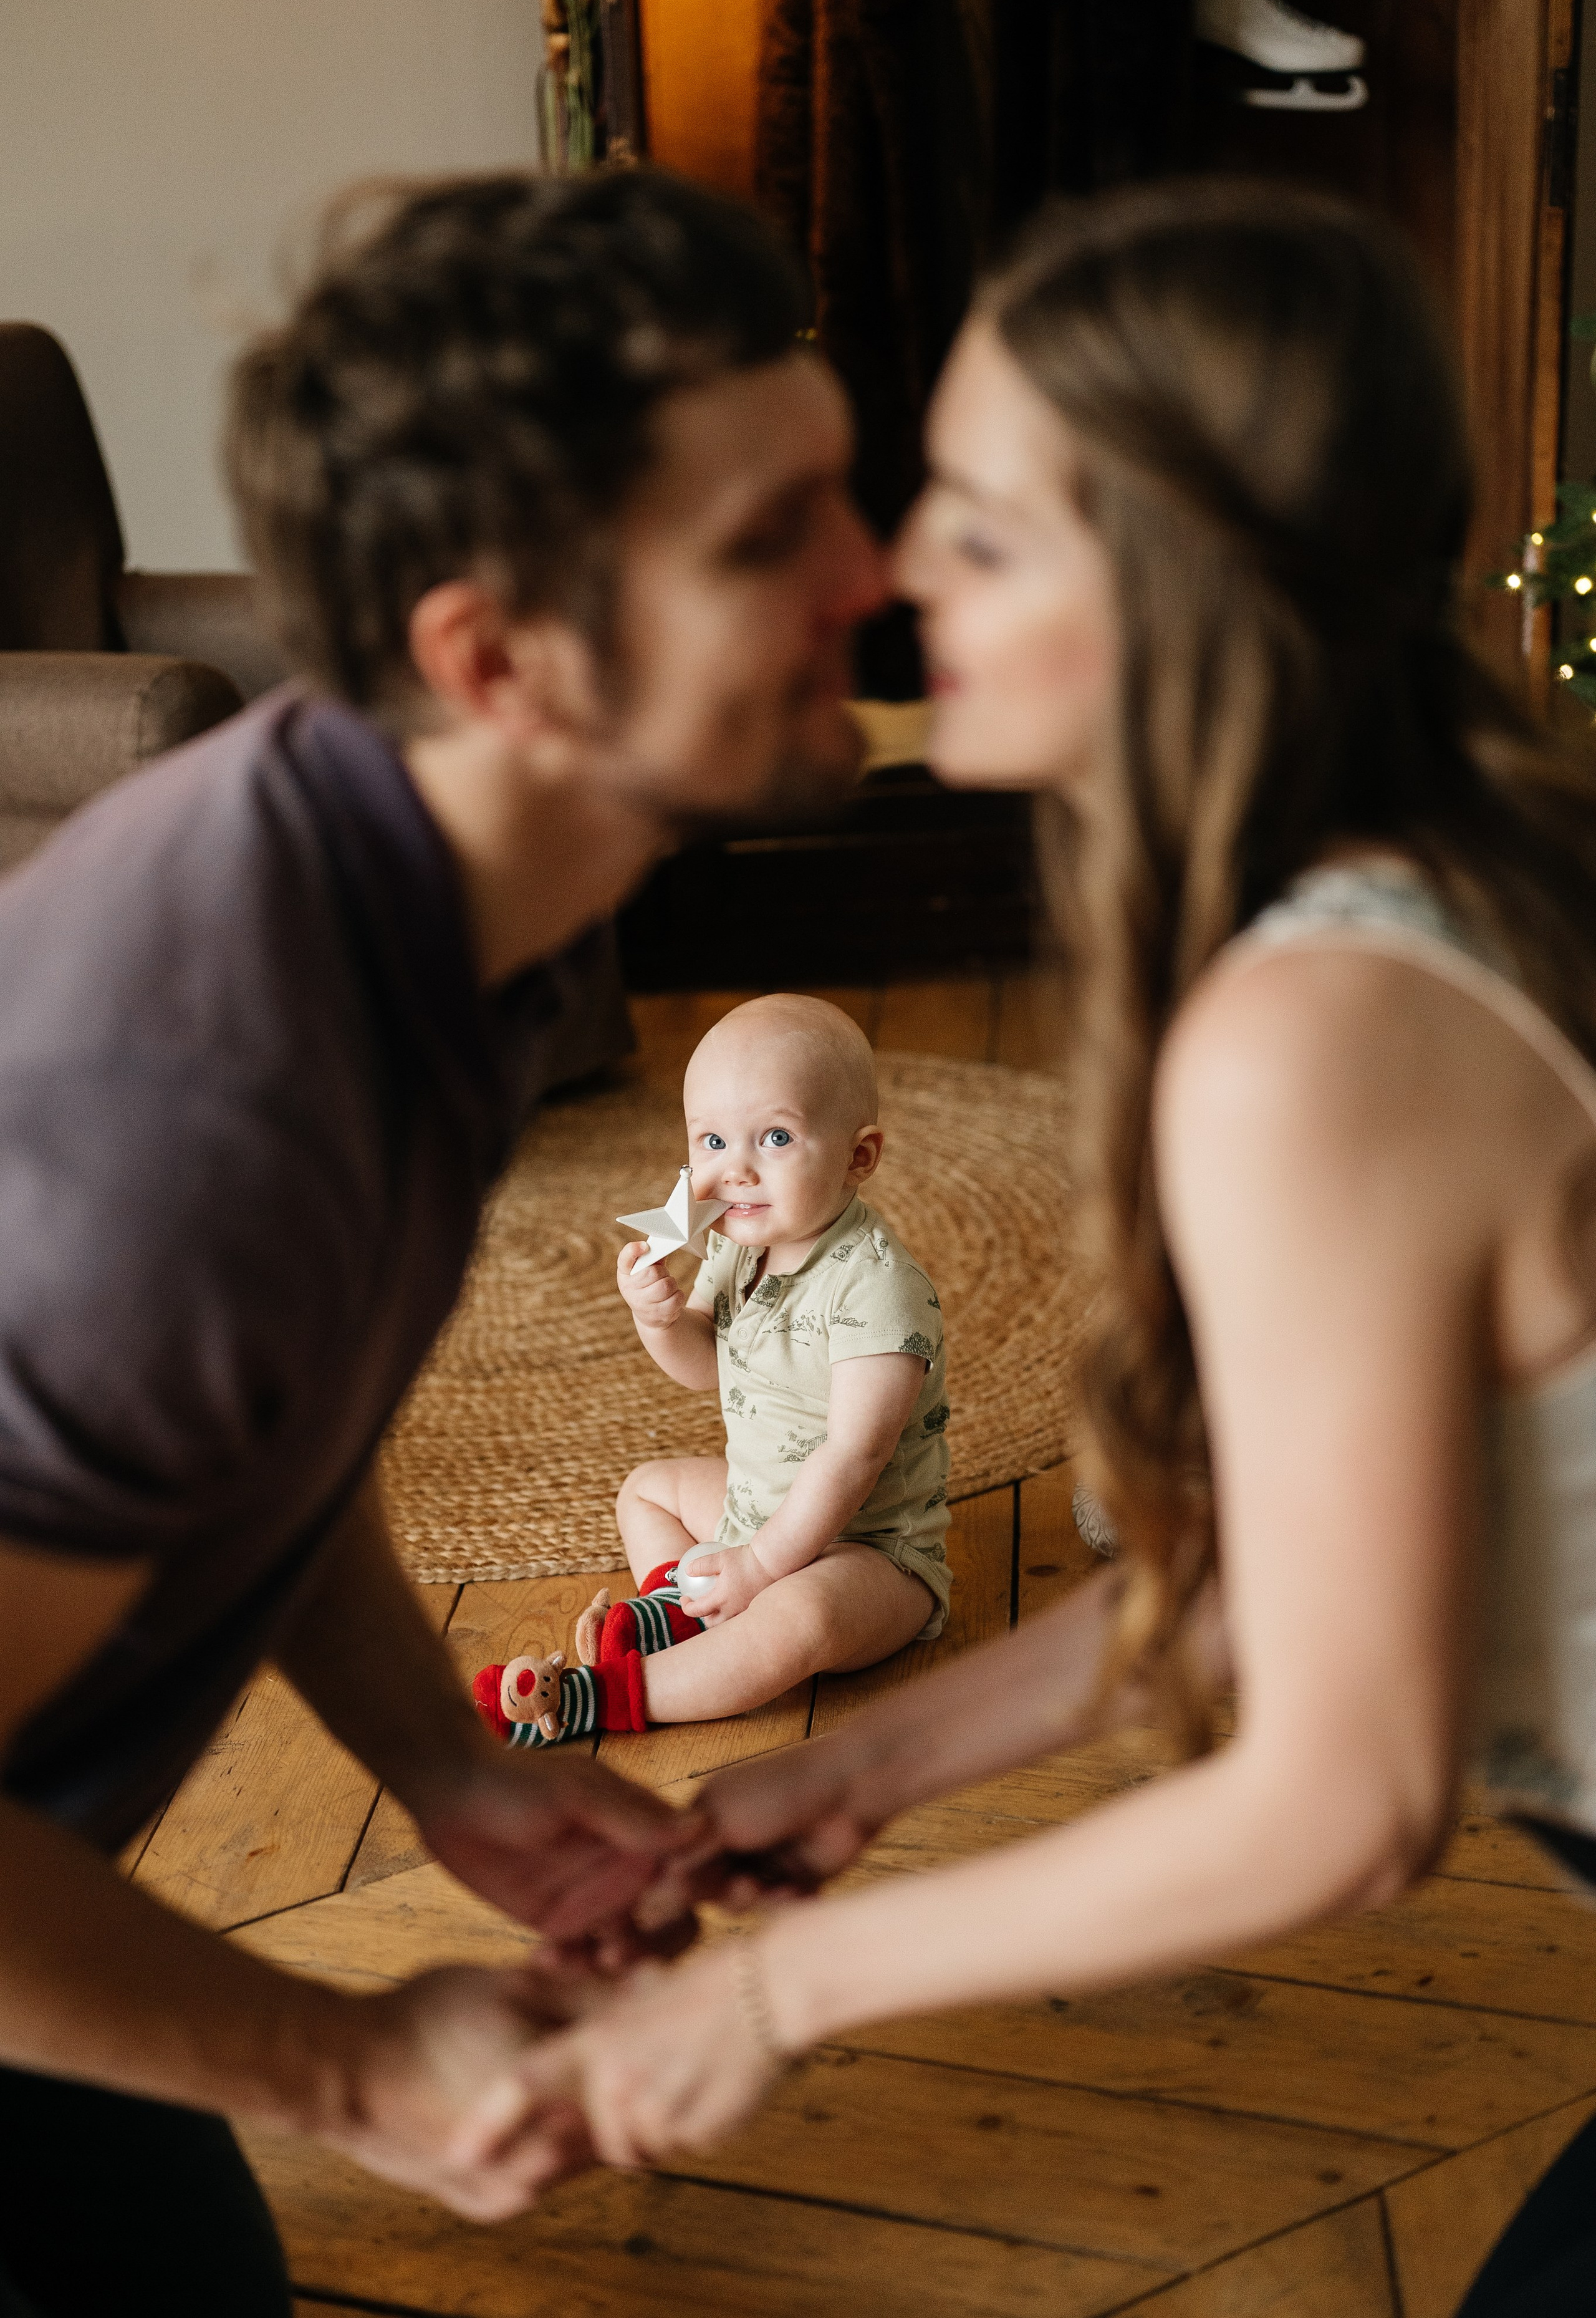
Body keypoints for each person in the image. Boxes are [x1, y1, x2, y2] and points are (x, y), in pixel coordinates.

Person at [520, 179, 1596, 2313]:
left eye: (987, 525)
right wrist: (865, 1760)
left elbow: (1340, 1797)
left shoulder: (1321, 1031)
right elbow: (1258, 1585)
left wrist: (771, 1995)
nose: (905, 568)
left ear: (1194, 580)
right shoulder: (1422, 892)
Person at [0, 165, 888, 2315]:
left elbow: (270, 1427)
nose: (873, 574)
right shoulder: (197, 1118)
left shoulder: (431, 904)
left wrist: (443, 1767)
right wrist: (355, 2060)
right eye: (766, 539)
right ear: (494, 656)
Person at [473, 994, 952, 1744]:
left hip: (868, 1547)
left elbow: (854, 1454)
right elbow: (702, 1366)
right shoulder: (735, 1246)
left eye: (776, 1137)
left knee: (801, 1621)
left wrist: (762, 1565)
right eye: (714, 1140)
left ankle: (607, 1697)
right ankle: (678, 1611)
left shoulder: (878, 1287)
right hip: (755, 1510)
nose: (737, 1171)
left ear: (859, 1156)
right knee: (646, 1490)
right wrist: (658, 1316)